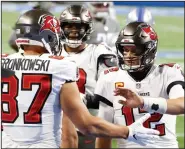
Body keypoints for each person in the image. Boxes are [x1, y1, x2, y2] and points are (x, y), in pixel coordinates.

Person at [1, 9, 160, 148]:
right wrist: (128, 131)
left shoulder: (3, 63)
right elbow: (84, 127)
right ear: (48, 36)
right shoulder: (59, 67)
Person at [94, 22, 184, 148]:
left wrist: (143, 102)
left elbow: (182, 105)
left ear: (150, 49)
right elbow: (103, 133)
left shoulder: (168, 73)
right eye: (125, 49)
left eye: (135, 50)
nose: (128, 55)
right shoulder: (109, 78)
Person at [58, 4, 118, 148]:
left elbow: (114, 96)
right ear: (61, 28)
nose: (73, 31)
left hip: (85, 127)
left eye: (79, 27)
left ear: (88, 28)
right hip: (54, 128)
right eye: (69, 26)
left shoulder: (99, 53)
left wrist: (84, 99)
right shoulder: (51, 52)